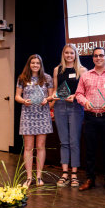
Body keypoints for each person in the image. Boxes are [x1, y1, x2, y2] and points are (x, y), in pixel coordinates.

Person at [75, 47, 105, 192]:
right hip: (90, 117)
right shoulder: (86, 76)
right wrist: (84, 102)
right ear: (93, 58)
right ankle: (90, 179)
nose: (98, 58)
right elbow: (78, 94)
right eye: (96, 56)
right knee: (90, 150)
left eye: (101, 55)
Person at [15, 54, 53, 187]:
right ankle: (29, 177)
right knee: (28, 147)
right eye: (33, 63)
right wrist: (23, 101)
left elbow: (51, 96)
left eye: (38, 63)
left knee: (41, 146)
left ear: (41, 64)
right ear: (29, 64)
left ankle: (39, 177)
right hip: (27, 115)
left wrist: (46, 100)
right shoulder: (22, 78)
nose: (35, 65)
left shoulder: (47, 78)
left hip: (42, 115)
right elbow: (17, 96)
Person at [52, 44, 87, 187]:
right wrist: (53, 97)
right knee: (64, 141)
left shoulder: (82, 70)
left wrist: (74, 96)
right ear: (63, 54)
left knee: (74, 141)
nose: (69, 55)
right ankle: (65, 173)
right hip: (60, 106)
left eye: (71, 53)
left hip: (75, 107)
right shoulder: (57, 70)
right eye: (66, 53)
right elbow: (55, 90)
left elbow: (84, 92)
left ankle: (74, 174)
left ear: (75, 55)